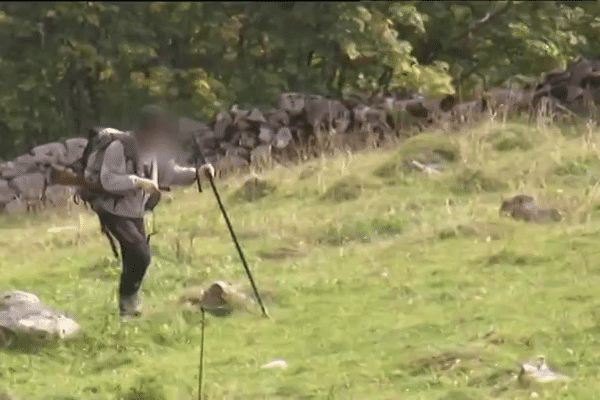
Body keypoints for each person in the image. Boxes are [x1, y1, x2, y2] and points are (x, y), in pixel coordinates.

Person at [89, 105, 214, 318]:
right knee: (141, 254)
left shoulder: (153, 150)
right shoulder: (119, 147)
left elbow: (170, 174)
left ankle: (128, 308)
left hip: (136, 211)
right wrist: (137, 183)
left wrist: (197, 174)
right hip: (113, 209)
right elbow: (107, 179)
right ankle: (129, 304)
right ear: (145, 130)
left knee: (134, 259)